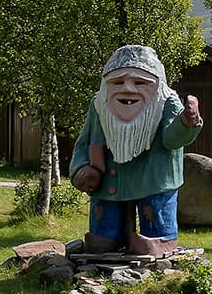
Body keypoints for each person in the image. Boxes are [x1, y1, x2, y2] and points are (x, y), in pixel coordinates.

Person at [69, 45, 203, 255]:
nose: (128, 89)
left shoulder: (167, 101)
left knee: (154, 214)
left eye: (140, 82)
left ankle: (159, 239)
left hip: (153, 178)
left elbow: (171, 140)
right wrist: (80, 168)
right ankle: (106, 236)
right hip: (109, 180)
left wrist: (186, 123)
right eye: (117, 82)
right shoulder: (99, 104)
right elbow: (84, 141)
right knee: (104, 225)